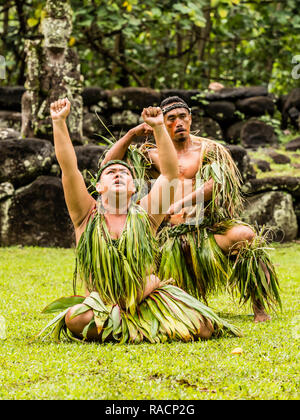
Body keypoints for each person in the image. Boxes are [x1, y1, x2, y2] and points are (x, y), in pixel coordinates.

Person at [36, 98, 242, 344]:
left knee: (204, 327)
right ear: (99, 187)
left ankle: (128, 327)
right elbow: (69, 168)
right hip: (105, 303)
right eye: (111, 173)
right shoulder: (85, 215)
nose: (118, 175)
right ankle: (130, 325)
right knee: (75, 319)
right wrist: (58, 122)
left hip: (147, 301)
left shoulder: (147, 215)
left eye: (124, 173)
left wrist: (157, 127)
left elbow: (170, 173)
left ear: (134, 187)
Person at [102, 96, 281, 323]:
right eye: (171, 118)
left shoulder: (209, 150)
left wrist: (181, 203)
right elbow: (109, 166)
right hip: (165, 236)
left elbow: (216, 184)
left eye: (182, 117)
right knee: (148, 272)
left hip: (207, 229)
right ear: (162, 122)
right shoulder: (151, 154)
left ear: (190, 118)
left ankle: (260, 309)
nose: (178, 123)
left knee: (245, 236)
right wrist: (130, 135)